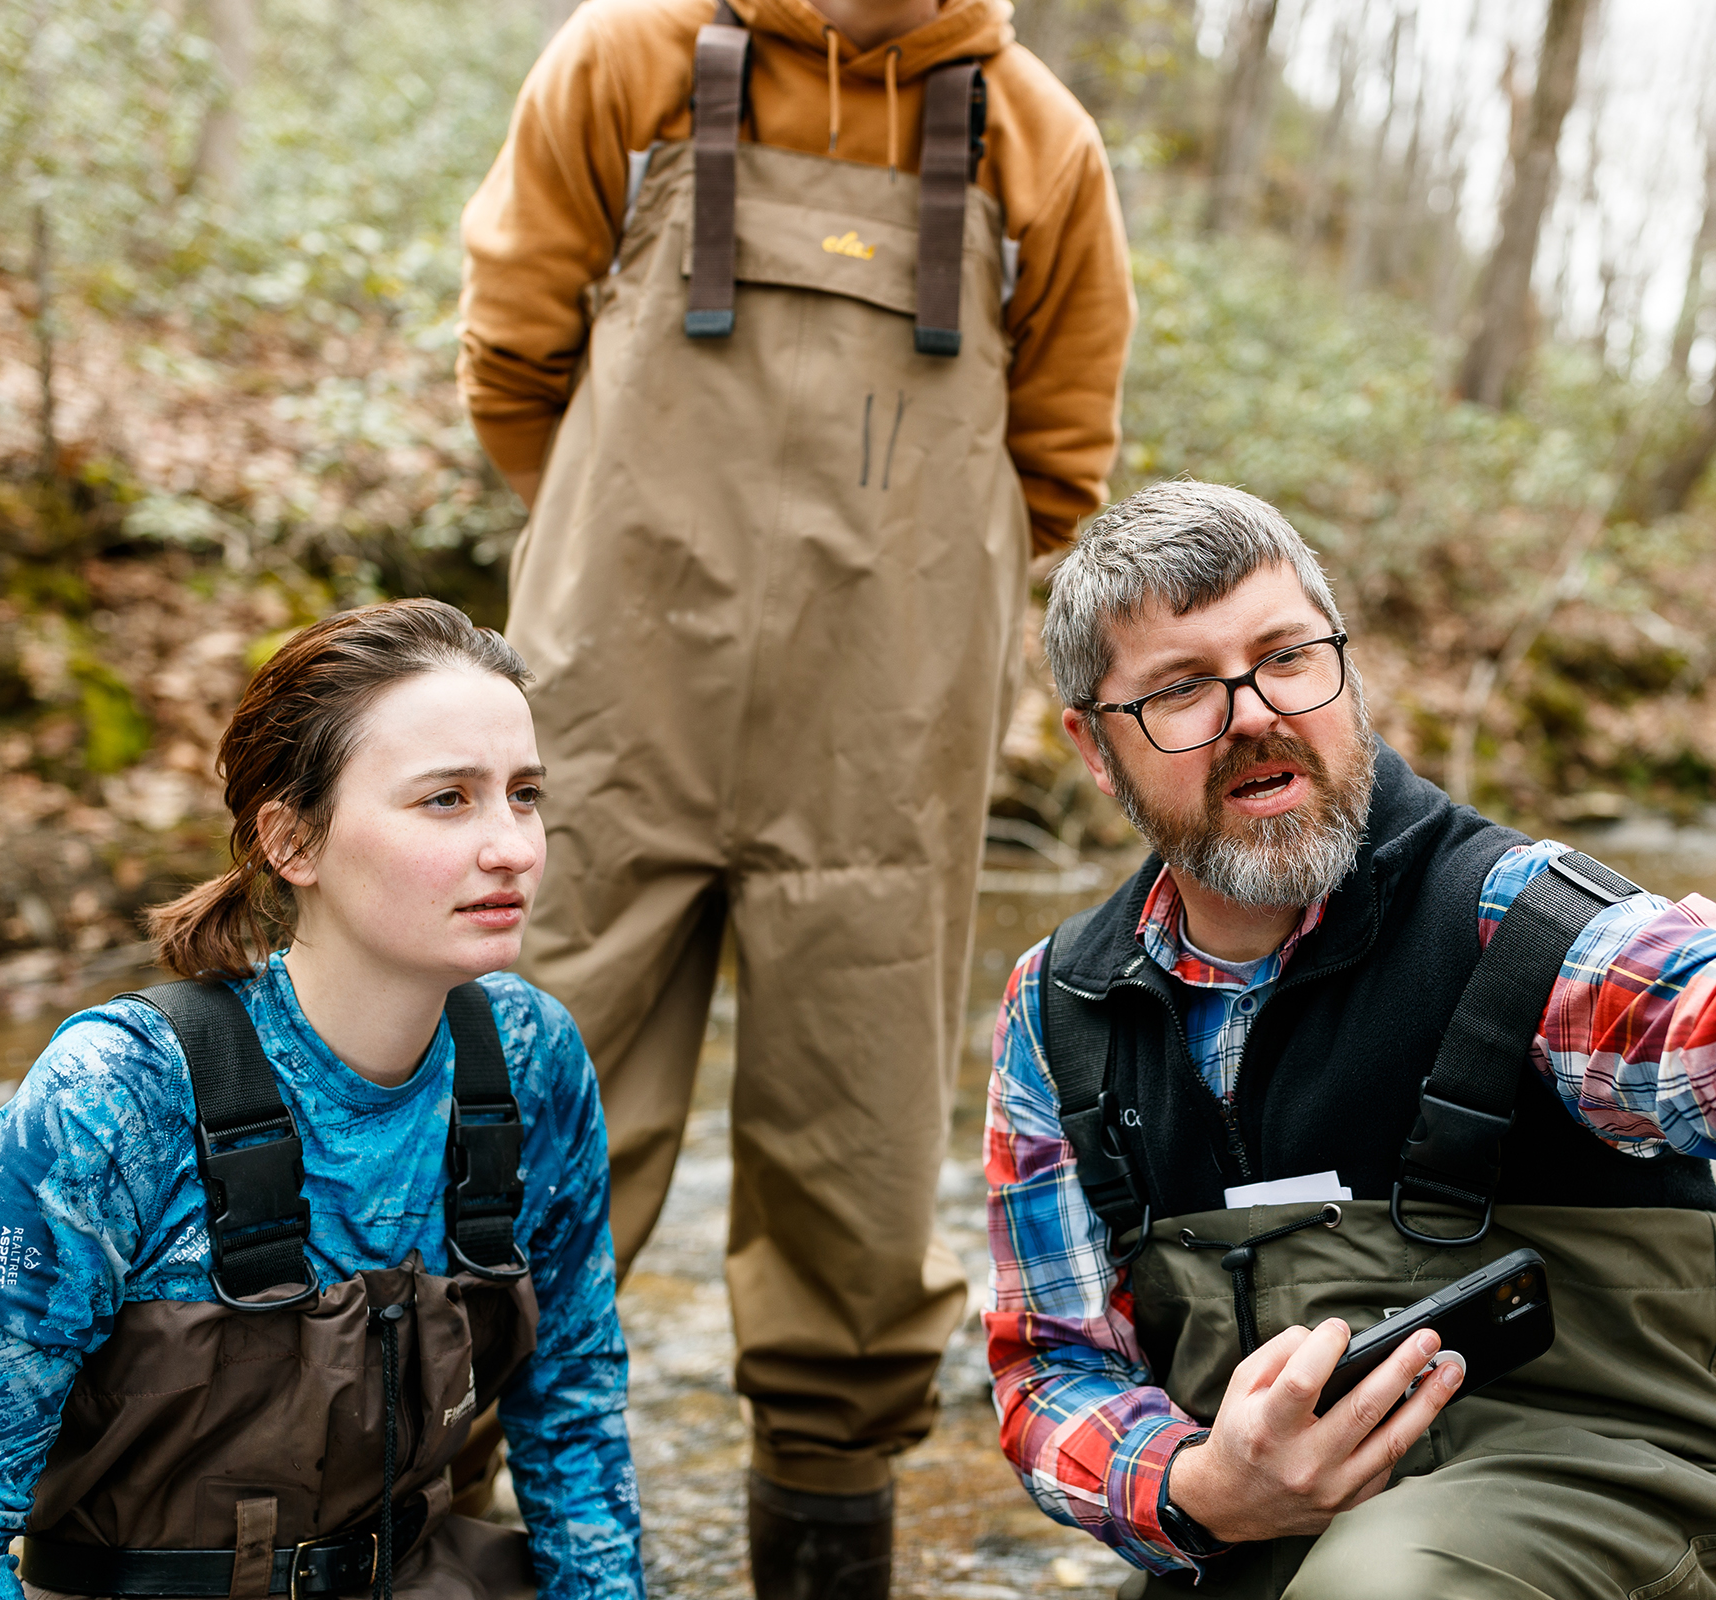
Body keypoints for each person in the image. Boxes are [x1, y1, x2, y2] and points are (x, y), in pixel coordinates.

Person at [983, 478, 1716, 1598]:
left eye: (1286, 656)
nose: (1257, 712)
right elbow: (1051, 1365)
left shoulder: (1525, 927)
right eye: (1181, 690)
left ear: (1344, 666)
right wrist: (1199, 1488)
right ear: (1093, 747)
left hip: (1635, 1521)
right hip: (1262, 1550)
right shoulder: (1057, 1011)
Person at [456, 0, 1132, 1586]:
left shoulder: (1040, 140)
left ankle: (825, 1532)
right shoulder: (623, 64)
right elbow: (512, 353)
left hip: (885, 729)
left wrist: (908, 612)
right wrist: (608, 562)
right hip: (610, 699)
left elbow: (1059, 465)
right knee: (513, 1116)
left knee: (859, 1161)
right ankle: (428, 1519)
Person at [0, 600, 640, 1600]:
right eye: (447, 799)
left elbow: (572, 1419)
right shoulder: (117, 1096)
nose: (514, 845)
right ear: (292, 841)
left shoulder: (529, 1057)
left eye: (524, 795)